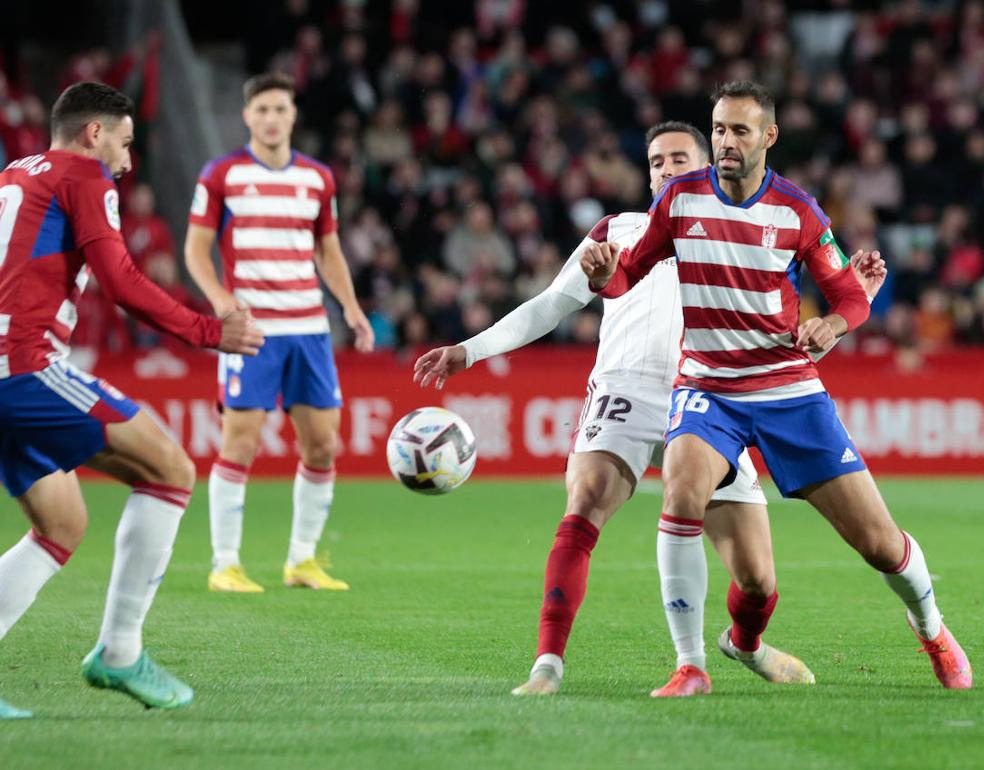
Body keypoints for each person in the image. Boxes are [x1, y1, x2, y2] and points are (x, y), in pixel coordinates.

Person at [415, 122, 885, 697]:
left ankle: (746, 643)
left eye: (679, 160)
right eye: (657, 162)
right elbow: (551, 305)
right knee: (585, 501)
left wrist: (849, 309)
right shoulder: (619, 232)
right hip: (626, 389)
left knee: (758, 581)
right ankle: (547, 666)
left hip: (714, 400)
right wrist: (470, 350)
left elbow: (784, 337)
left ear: (707, 166)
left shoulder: (740, 231)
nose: (666, 170)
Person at [581, 80, 972, 689]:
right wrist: (604, 275)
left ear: (769, 136)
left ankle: (932, 629)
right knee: (680, 495)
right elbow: (627, 274)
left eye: (739, 131)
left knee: (877, 543)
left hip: (787, 388)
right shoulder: (680, 198)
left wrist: (832, 324)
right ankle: (690, 665)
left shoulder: (797, 210)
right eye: (719, 130)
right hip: (708, 388)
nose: (726, 142)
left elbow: (849, 296)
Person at [0, 82, 264, 718]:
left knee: (62, 523)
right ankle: (119, 651)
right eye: (123, 143)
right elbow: (121, 280)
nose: (125, 160)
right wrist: (208, 331)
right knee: (170, 470)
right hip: (23, 366)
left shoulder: (14, 175)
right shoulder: (84, 175)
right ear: (94, 133)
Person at [184, 72, 374, 594]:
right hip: (252, 331)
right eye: (262, 109)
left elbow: (328, 251)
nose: (271, 118)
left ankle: (301, 561)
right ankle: (225, 564)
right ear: (247, 116)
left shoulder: (318, 178)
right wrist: (220, 299)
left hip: (309, 329)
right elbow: (195, 249)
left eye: (280, 109)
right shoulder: (222, 174)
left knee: (323, 445)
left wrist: (351, 308)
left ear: (293, 116)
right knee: (240, 443)